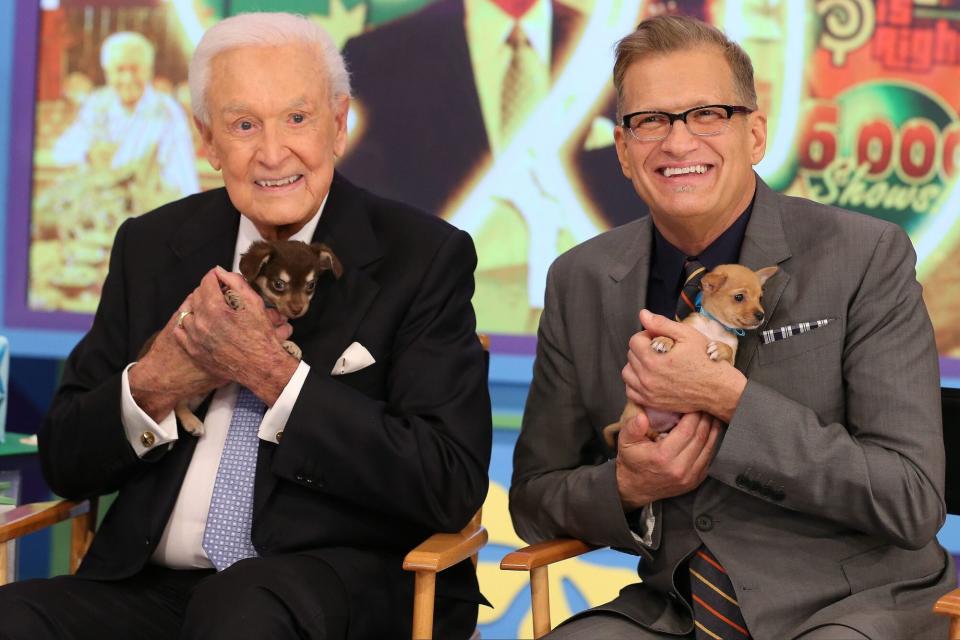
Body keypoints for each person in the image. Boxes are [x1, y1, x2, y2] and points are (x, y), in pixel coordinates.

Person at [0, 12, 491, 640]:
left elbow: (445, 479)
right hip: (148, 587)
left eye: (297, 118)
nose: (272, 152)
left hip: (327, 588)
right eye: (242, 125)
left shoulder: (422, 256)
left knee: (240, 610)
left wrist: (272, 374)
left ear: (338, 125)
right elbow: (66, 458)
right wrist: (154, 385)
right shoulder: (151, 245)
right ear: (207, 140)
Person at [509, 14, 954, 639]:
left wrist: (726, 399)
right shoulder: (580, 278)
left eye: (707, 114)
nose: (678, 142)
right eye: (651, 121)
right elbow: (533, 498)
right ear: (624, 152)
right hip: (676, 612)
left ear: (756, 135)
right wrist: (627, 486)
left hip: (854, 604)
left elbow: (909, 499)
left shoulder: (864, 255)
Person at [339, 0, 643, 328]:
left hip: (590, 324)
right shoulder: (381, 55)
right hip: (432, 326)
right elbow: (363, 216)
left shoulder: (613, 55)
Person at [52, 31, 199, 199]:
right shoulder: (97, 104)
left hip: (147, 209)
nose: (128, 78)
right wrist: (88, 153)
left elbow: (182, 175)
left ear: (148, 71)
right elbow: (61, 152)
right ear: (108, 73)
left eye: (135, 69)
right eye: (120, 70)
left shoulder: (167, 110)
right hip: (100, 207)